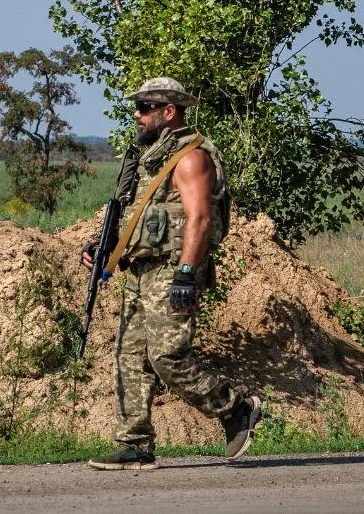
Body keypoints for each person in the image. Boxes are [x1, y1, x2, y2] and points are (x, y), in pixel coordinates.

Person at [80, 77, 261, 471]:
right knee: (129, 356)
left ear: (169, 111)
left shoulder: (191, 158)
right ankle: (134, 443)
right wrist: (102, 247)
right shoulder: (149, 160)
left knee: (165, 355)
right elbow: (136, 216)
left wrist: (185, 274)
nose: (137, 115)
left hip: (170, 270)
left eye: (145, 108)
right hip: (140, 267)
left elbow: (199, 218)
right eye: (138, 107)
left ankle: (234, 406)